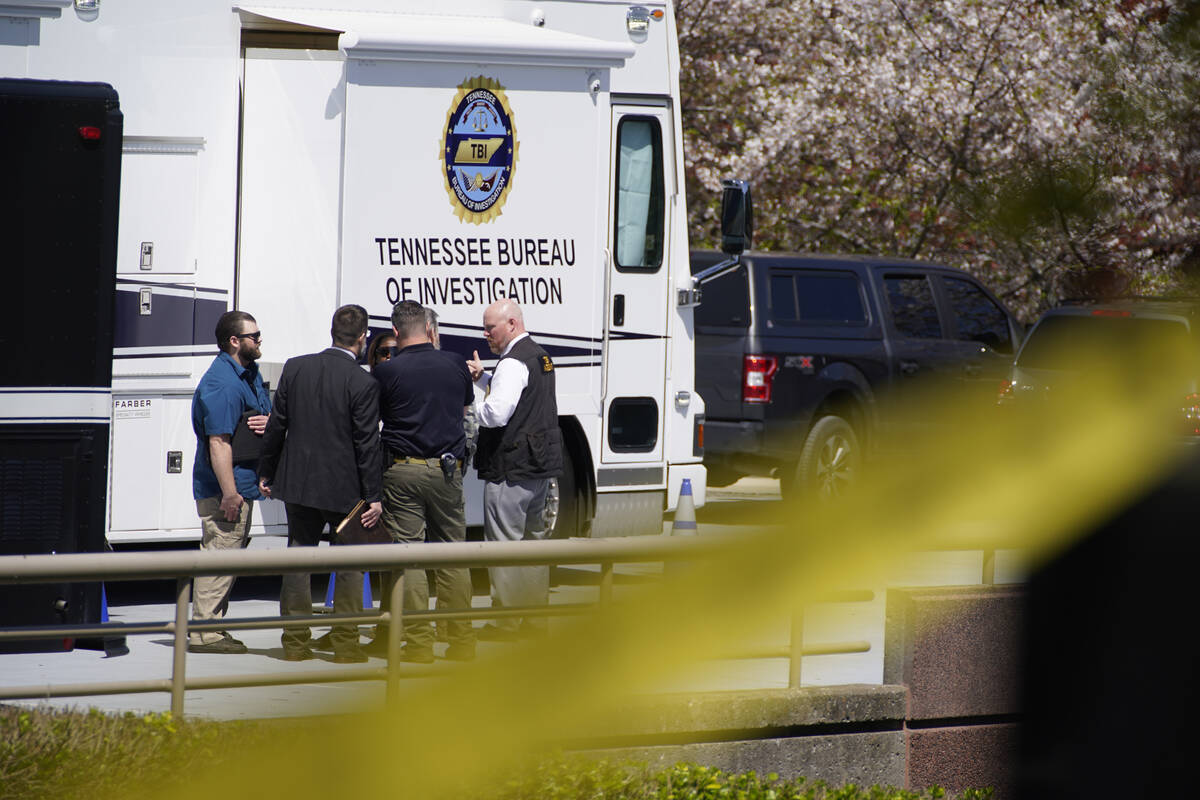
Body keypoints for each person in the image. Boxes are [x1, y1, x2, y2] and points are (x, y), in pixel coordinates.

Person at [258, 304, 383, 663]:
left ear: (332, 331)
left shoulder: (296, 367)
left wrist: (267, 471)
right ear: (363, 338)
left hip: (298, 483)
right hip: (346, 489)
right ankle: (345, 646)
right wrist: (373, 495)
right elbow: (366, 443)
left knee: (298, 557)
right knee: (349, 564)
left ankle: (295, 644)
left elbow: (277, 425)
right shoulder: (363, 381)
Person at [368, 300, 476, 662]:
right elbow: (463, 412)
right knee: (452, 556)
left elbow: (373, 424)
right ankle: (461, 641)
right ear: (429, 329)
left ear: (396, 332)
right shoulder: (456, 363)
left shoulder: (387, 372)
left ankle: (418, 644)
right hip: (448, 471)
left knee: (409, 557)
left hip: (403, 471)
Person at [467, 299, 563, 640]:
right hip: (540, 468)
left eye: (490, 327)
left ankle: (506, 622)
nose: (485, 333)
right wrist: (487, 377)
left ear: (511, 324)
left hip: (511, 469)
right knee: (535, 548)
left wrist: (471, 402)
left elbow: (496, 414)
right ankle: (534, 621)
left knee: (504, 547)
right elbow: (522, 395)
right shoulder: (540, 355)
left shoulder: (512, 362)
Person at [187, 311, 272, 654]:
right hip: (227, 489)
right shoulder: (222, 383)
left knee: (229, 557)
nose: (260, 340)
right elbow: (218, 443)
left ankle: (214, 627)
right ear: (234, 341)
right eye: (255, 335)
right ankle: (204, 633)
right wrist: (230, 493)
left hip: (243, 483)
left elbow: (253, 423)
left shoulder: (247, 374)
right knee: (220, 556)